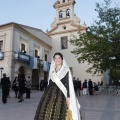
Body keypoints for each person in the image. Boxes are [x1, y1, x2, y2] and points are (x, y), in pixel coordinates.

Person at [34, 52, 81, 120]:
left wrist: (68, 97)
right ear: (53, 60)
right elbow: (50, 83)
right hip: (50, 93)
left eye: (59, 58)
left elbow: (68, 84)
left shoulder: (66, 70)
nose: (57, 59)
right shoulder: (52, 70)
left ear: (62, 59)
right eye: (55, 58)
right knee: (46, 110)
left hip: (61, 94)